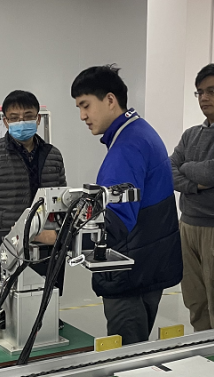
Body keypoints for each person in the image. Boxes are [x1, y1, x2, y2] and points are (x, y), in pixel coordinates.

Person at [72, 65, 182, 345]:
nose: (82, 116)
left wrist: (64, 237)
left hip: (130, 274)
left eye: (86, 105)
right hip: (149, 264)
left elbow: (115, 223)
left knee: (127, 356)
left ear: (110, 100)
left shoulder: (126, 148)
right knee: (138, 348)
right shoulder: (141, 131)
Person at [0, 90, 67, 305]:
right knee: (7, 306)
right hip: (8, 246)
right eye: (14, 118)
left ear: (38, 118)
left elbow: (61, 202)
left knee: (46, 302)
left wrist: (59, 238)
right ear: (5, 121)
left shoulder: (53, 155)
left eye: (28, 116)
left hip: (47, 247)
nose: (21, 122)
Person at [171, 63, 214, 332]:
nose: (204, 98)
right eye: (199, 92)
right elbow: (168, 171)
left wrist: (186, 167)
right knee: (194, 298)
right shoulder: (191, 135)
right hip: (187, 225)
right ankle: (201, 348)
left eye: (212, 91)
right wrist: (196, 184)